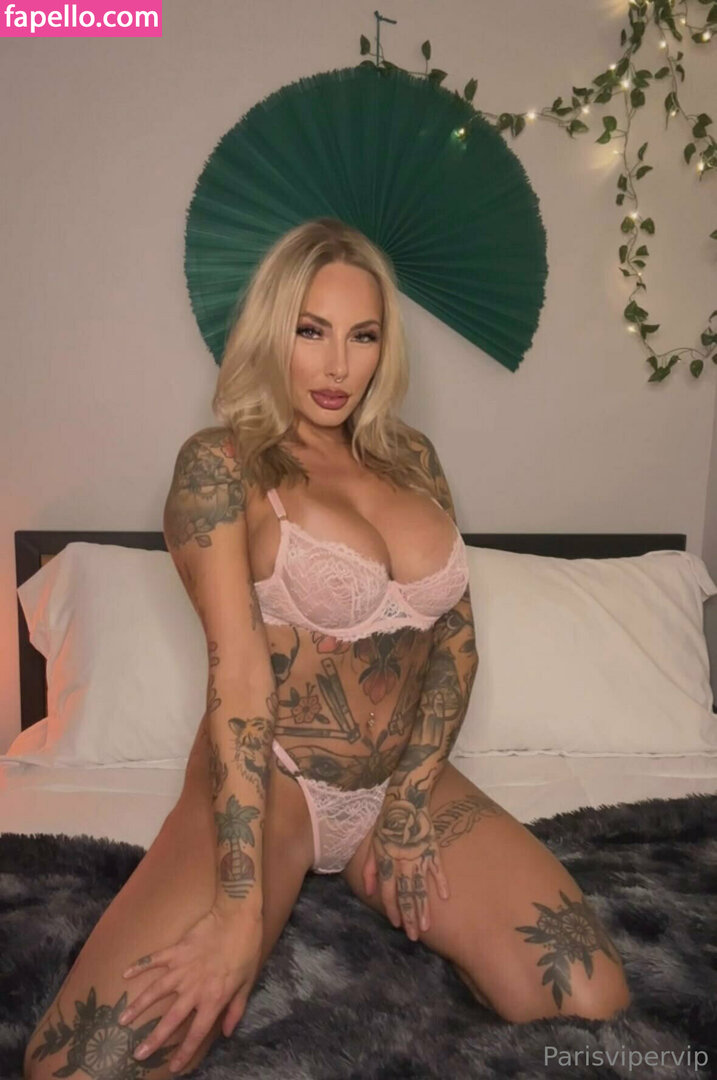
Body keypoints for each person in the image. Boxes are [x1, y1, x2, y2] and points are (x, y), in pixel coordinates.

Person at [24, 217, 631, 1080]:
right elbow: (239, 678)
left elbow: (454, 645)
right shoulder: (221, 468)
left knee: (591, 994)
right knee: (80, 1065)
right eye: (311, 331)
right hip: (272, 784)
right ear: (272, 330)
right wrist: (237, 911)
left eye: (362, 336)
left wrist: (410, 800)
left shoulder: (411, 460)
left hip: (397, 785)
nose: (338, 365)